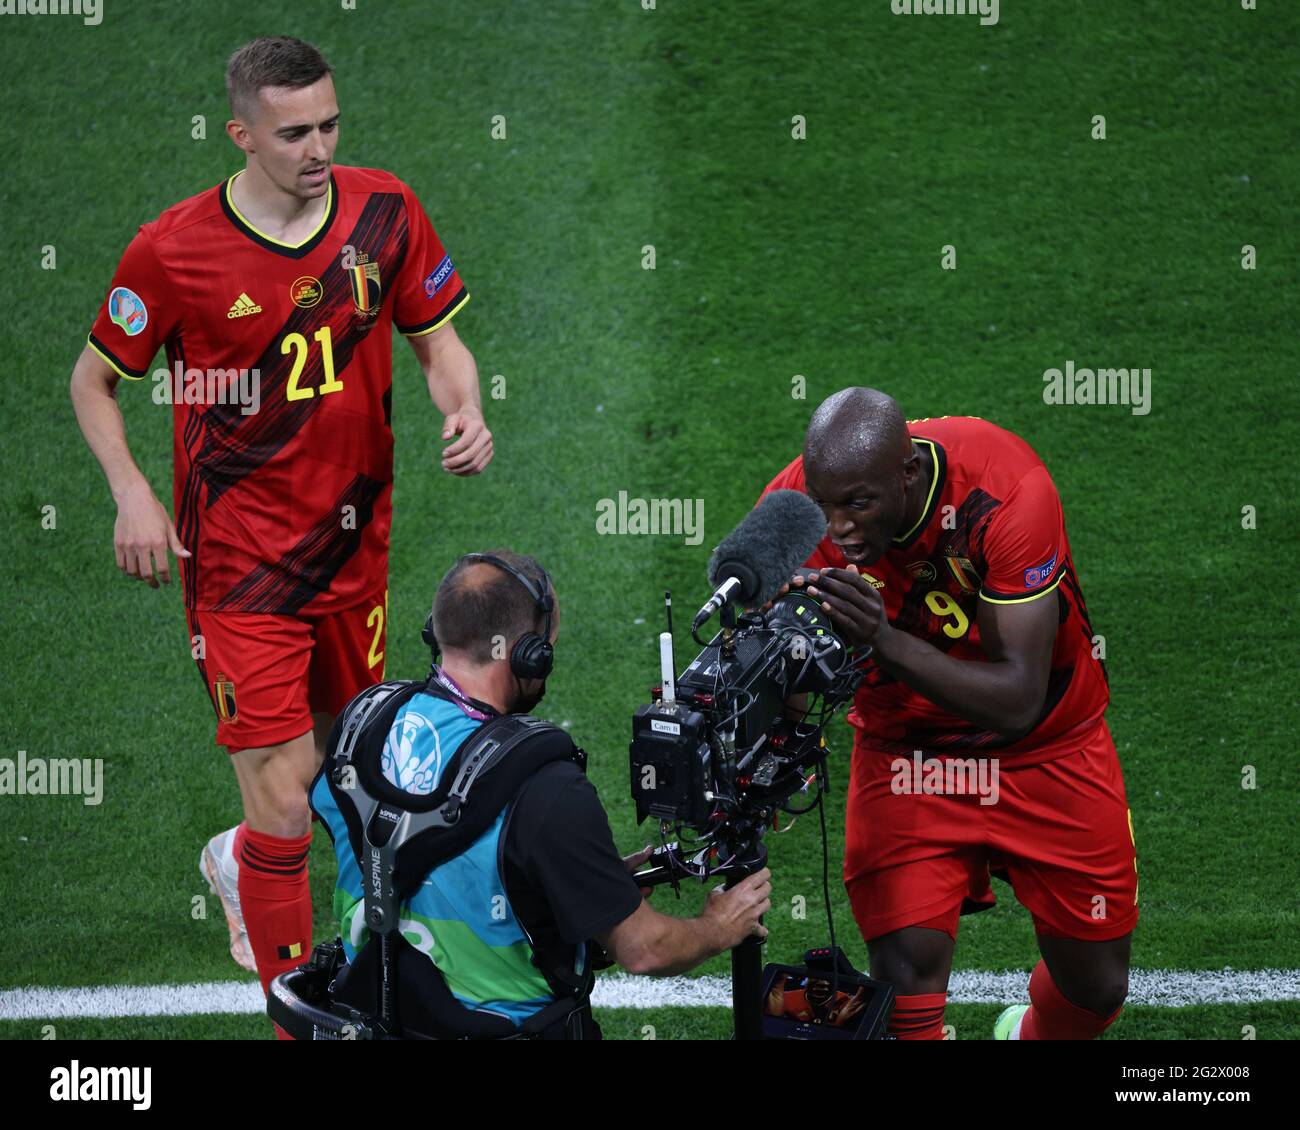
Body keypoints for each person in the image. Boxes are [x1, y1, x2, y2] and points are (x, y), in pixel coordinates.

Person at [68, 36, 493, 1024]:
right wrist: (130, 489)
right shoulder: (172, 249)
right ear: (242, 134)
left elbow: (439, 341)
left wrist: (461, 408)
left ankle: (235, 862)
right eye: (294, 131)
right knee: (284, 786)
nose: (318, 147)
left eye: (330, 124)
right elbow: (93, 379)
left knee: (353, 776)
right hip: (239, 567)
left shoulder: (384, 211)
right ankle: (294, 1013)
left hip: (354, 553)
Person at [759, 388, 1135, 1040]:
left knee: (1096, 986)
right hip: (908, 757)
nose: (838, 527)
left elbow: (1019, 698)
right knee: (906, 983)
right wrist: (781, 736)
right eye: (823, 504)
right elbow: (782, 662)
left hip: (1046, 745)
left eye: (857, 504)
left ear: (907, 475)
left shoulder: (1008, 490)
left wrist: (882, 638)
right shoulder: (792, 512)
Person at [310, 550, 772, 1037]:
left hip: (377, 1018)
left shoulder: (360, 723)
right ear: (527, 653)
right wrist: (720, 926)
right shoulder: (547, 788)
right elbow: (645, 949)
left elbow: (397, 850)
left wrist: (567, 883)